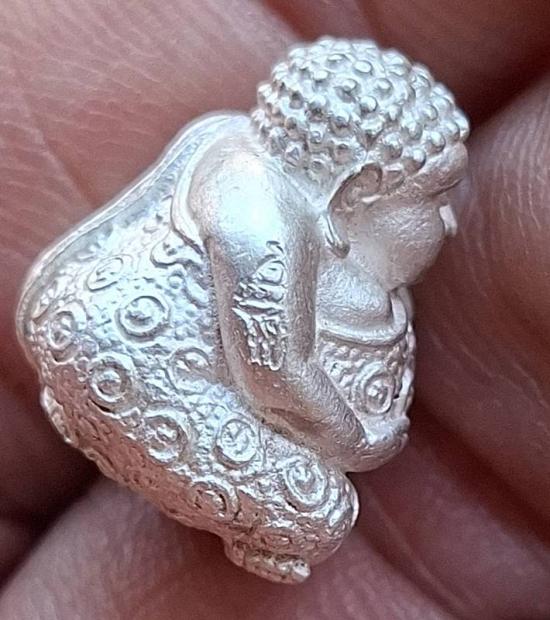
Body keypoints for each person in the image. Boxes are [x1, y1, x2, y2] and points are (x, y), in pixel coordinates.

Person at [1, 0, 550, 617]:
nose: (449, 221)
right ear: (358, 190)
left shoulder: (229, 136)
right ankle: (251, 526)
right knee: (322, 515)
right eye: (432, 198)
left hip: (76, 323)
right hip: (134, 374)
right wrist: (358, 442)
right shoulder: (260, 213)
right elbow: (273, 372)